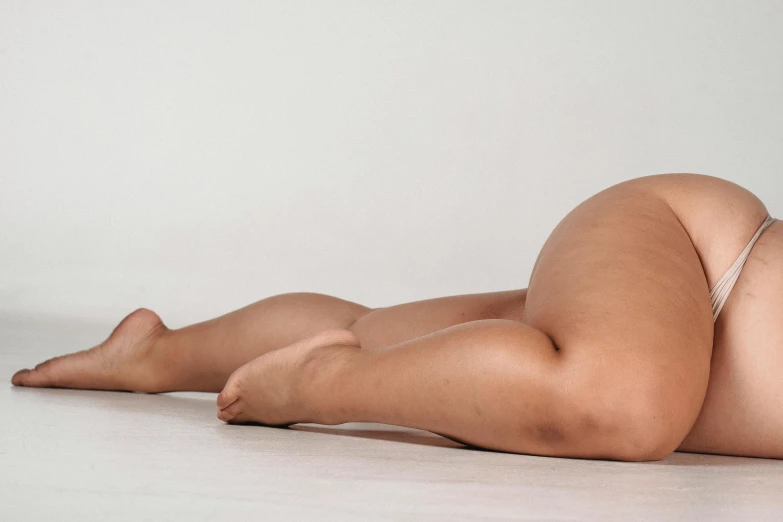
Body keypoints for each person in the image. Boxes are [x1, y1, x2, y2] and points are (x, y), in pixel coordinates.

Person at [10, 173, 782, 462]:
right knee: (618, 400)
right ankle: (325, 383)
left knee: (386, 331)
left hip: (686, 338)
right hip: (702, 246)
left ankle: (154, 355)